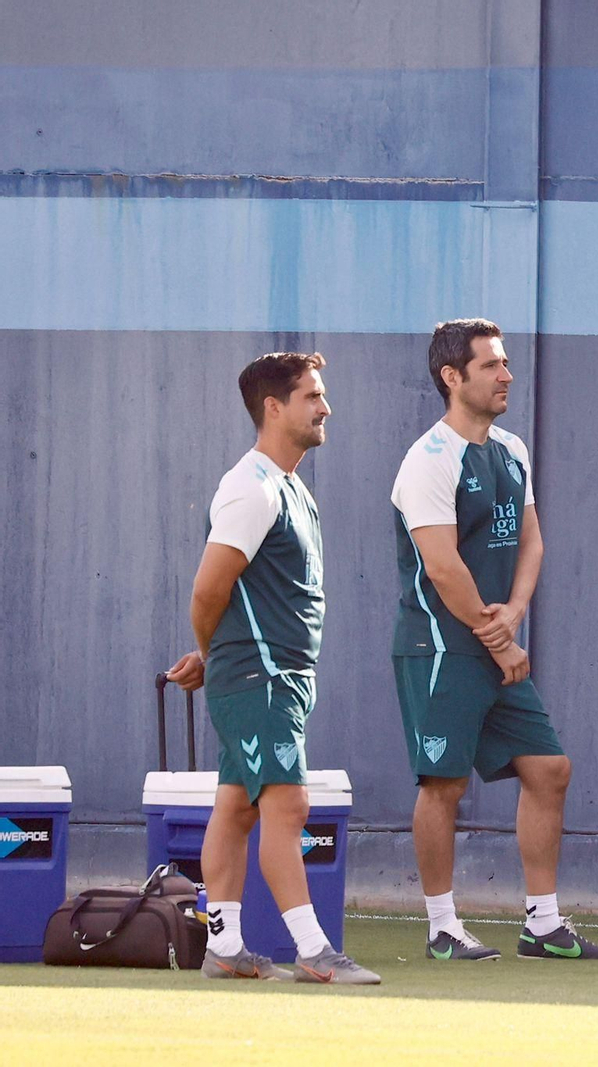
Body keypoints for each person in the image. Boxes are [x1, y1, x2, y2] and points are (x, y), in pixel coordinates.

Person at [391, 319, 598, 962]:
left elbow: (532, 540)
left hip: (495, 644)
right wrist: (499, 641)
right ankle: (441, 926)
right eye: (491, 365)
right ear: (452, 377)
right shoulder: (428, 459)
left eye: (506, 363)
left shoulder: (512, 450)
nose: (506, 374)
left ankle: (541, 925)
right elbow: (441, 565)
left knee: (549, 769)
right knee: (443, 785)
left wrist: (515, 611)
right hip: (439, 646)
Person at [167, 352, 379, 984]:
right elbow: (208, 592)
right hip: (259, 677)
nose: (325, 408)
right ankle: (315, 951)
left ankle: (224, 948)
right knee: (288, 805)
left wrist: (217, 656)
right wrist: (217, 654)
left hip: (275, 676)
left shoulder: (293, 490)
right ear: (274, 408)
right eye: (312, 396)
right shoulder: (251, 487)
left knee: (235, 807)